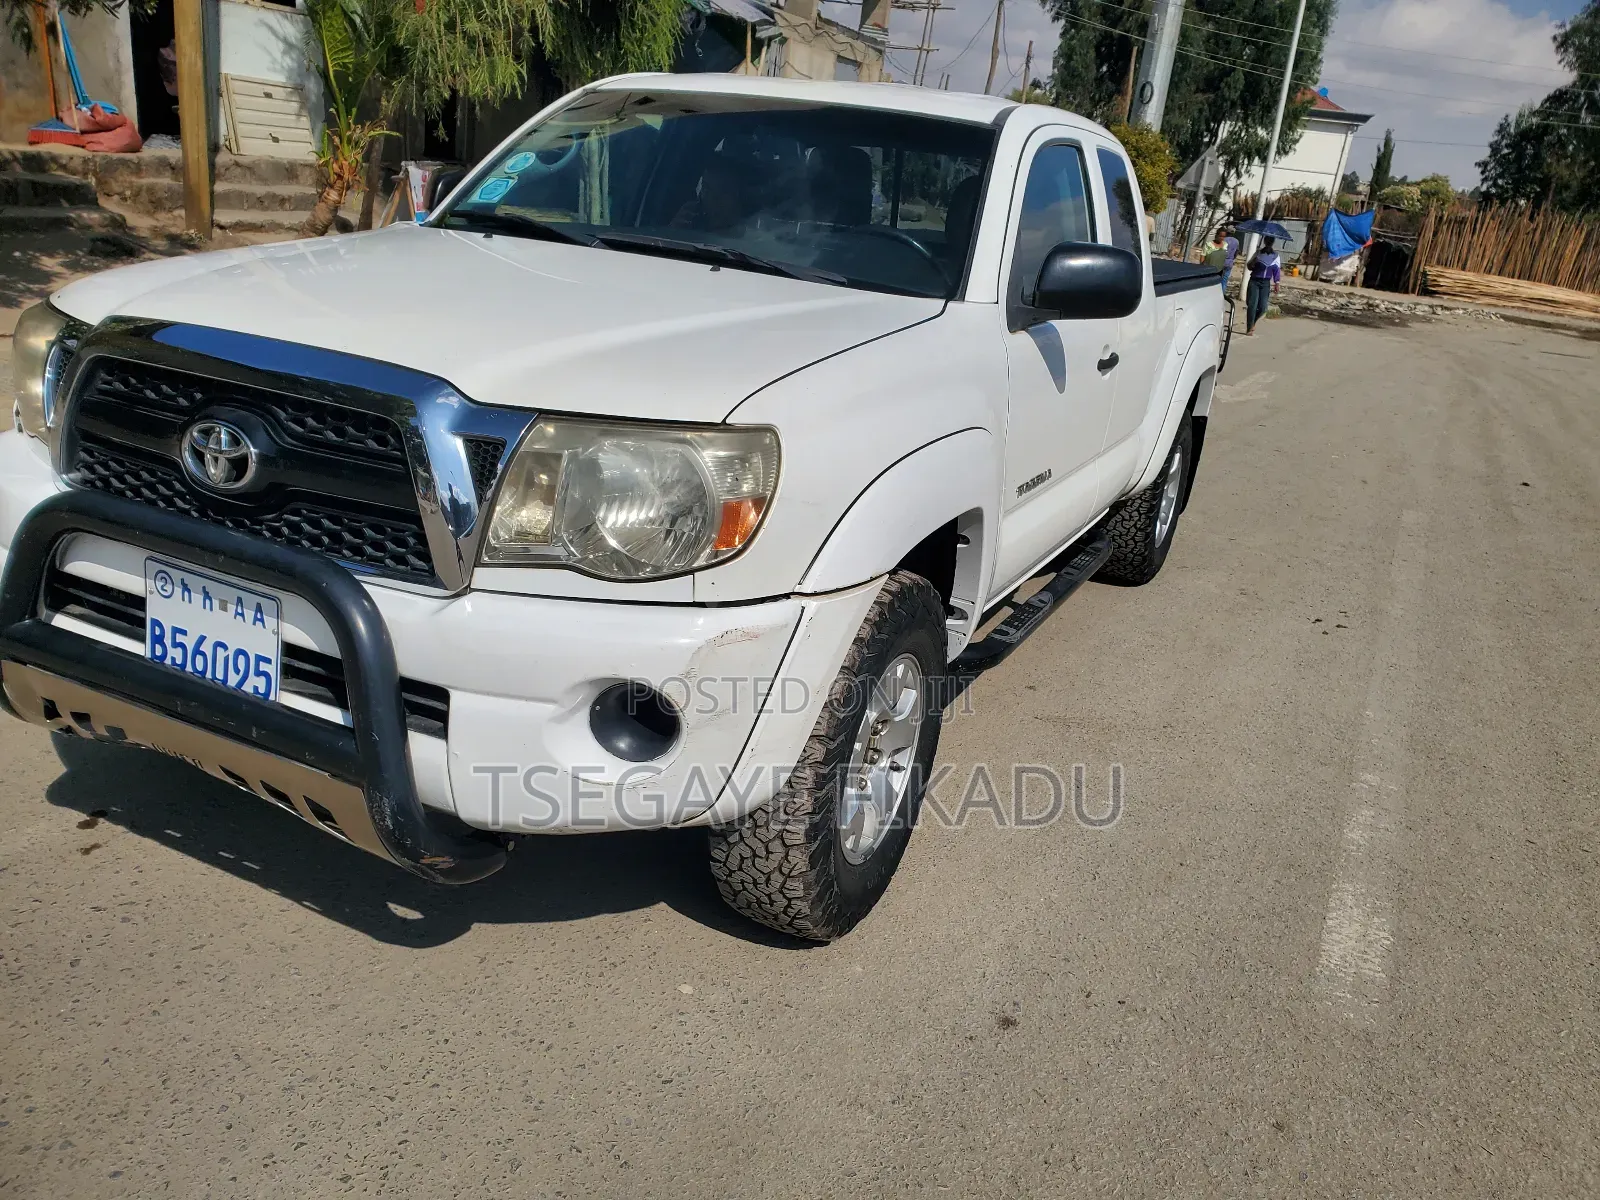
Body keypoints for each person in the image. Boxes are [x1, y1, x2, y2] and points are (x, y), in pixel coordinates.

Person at [1244, 236, 1282, 335]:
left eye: (1271, 241)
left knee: (1263, 308)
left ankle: (1253, 322)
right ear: (1265, 242)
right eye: (1268, 241)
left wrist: (1277, 283)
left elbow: (1276, 270)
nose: (1269, 243)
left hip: (1265, 283)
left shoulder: (1276, 256)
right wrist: (1254, 261)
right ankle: (1249, 328)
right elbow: (1249, 267)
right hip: (1254, 281)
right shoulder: (1258, 253)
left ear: (1272, 243)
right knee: (1252, 305)